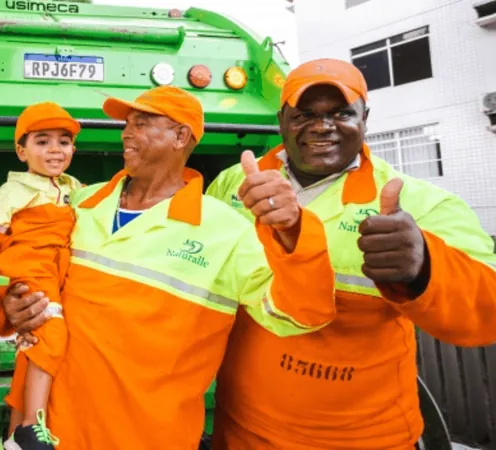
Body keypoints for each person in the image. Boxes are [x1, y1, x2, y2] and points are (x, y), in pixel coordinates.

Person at [0, 85, 339, 449]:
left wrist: (294, 229)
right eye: (126, 123)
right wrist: (11, 306)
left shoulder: (226, 231)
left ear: (180, 136)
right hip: (50, 434)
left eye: (141, 123)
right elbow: (24, 262)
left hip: (146, 436)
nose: (125, 132)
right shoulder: (80, 202)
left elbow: (301, 315)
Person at [205, 58, 496, 450]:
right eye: (305, 114)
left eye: (341, 112)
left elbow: (487, 308)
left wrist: (425, 266)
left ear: (365, 118)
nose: (322, 126)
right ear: (282, 120)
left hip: (362, 437)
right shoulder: (237, 181)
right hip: (241, 430)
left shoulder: (416, 202)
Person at [0, 102, 82, 450]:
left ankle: (14, 437)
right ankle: (33, 425)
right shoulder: (14, 190)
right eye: (42, 141)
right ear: (21, 151)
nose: (54, 150)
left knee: (33, 343)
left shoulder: (73, 187)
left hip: (54, 270)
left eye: (64, 142)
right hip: (29, 268)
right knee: (53, 332)